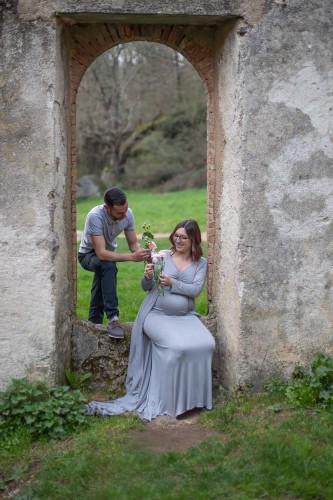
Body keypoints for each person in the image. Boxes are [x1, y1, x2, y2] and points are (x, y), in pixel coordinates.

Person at [86, 219, 216, 421]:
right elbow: (146, 288)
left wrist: (173, 283)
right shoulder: (162, 256)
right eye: (176, 235)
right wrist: (147, 277)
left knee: (207, 343)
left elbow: (196, 291)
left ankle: (194, 400)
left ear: (194, 240)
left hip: (184, 317)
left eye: (184, 237)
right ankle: (171, 402)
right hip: (155, 314)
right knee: (177, 347)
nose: (178, 240)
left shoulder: (200, 263)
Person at [78, 187, 151, 339]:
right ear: (107, 208)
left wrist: (145, 253)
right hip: (88, 255)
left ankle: (94, 321)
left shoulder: (127, 214)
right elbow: (101, 253)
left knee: (104, 271)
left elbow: (133, 244)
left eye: (125, 210)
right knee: (107, 264)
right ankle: (113, 318)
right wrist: (132, 258)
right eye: (119, 213)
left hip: (105, 256)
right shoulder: (95, 216)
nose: (124, 215)